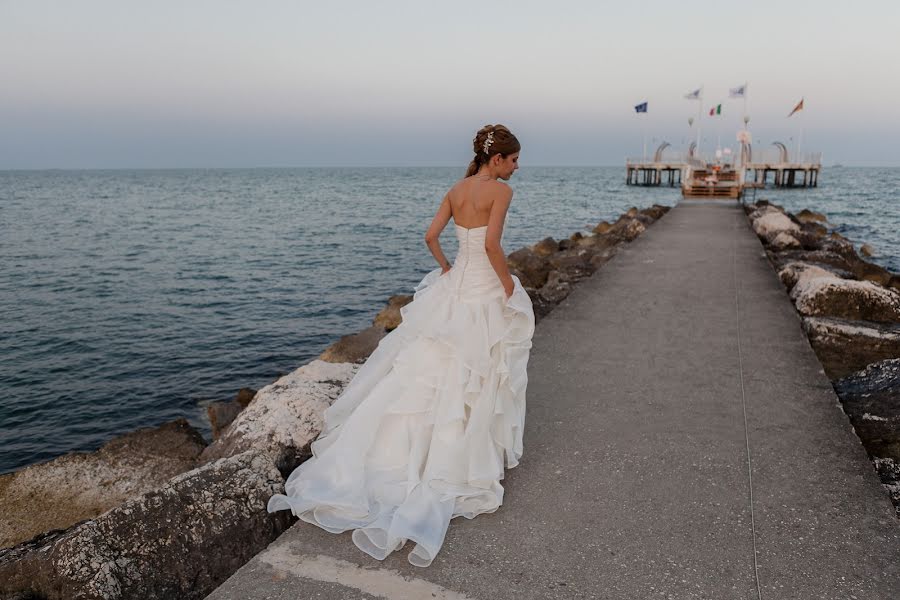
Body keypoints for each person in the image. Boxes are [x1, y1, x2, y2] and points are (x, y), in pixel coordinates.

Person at [266, 124, 535, 567]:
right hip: (482, 287)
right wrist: (507, 284)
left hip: (454, 287)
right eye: (514, 159)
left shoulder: (456, 188)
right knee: (476, 369)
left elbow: (430, 236)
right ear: (498, 159)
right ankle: (459, 460)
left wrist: (448, 267)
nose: (517, 167)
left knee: (426, 371)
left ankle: (396, 460)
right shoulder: (500, 193)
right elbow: (491, 245)